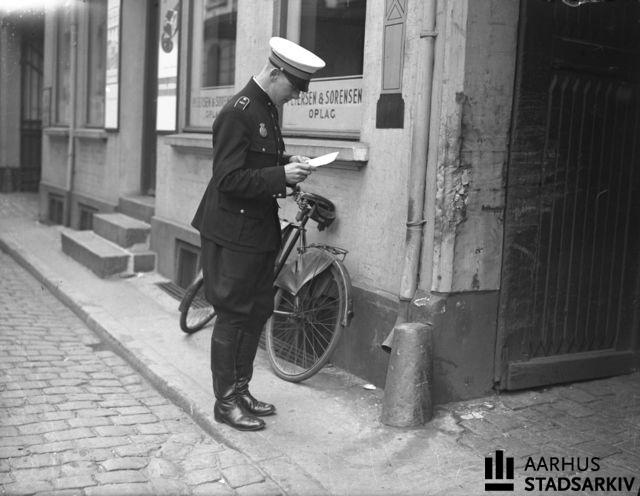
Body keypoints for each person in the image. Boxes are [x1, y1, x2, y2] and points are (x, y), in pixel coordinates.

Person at [191, 37, 325, 431]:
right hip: (232, 232)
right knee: (234, 315)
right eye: (294, 87)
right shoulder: (238, 112)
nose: (296, 96)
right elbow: (228, 178)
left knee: (255, 312)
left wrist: (287, 161)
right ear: (276, 73)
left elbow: (255, 159)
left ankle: (241, 390)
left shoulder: (265, 108)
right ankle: (225, 402)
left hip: (256, 230)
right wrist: (280, 175)